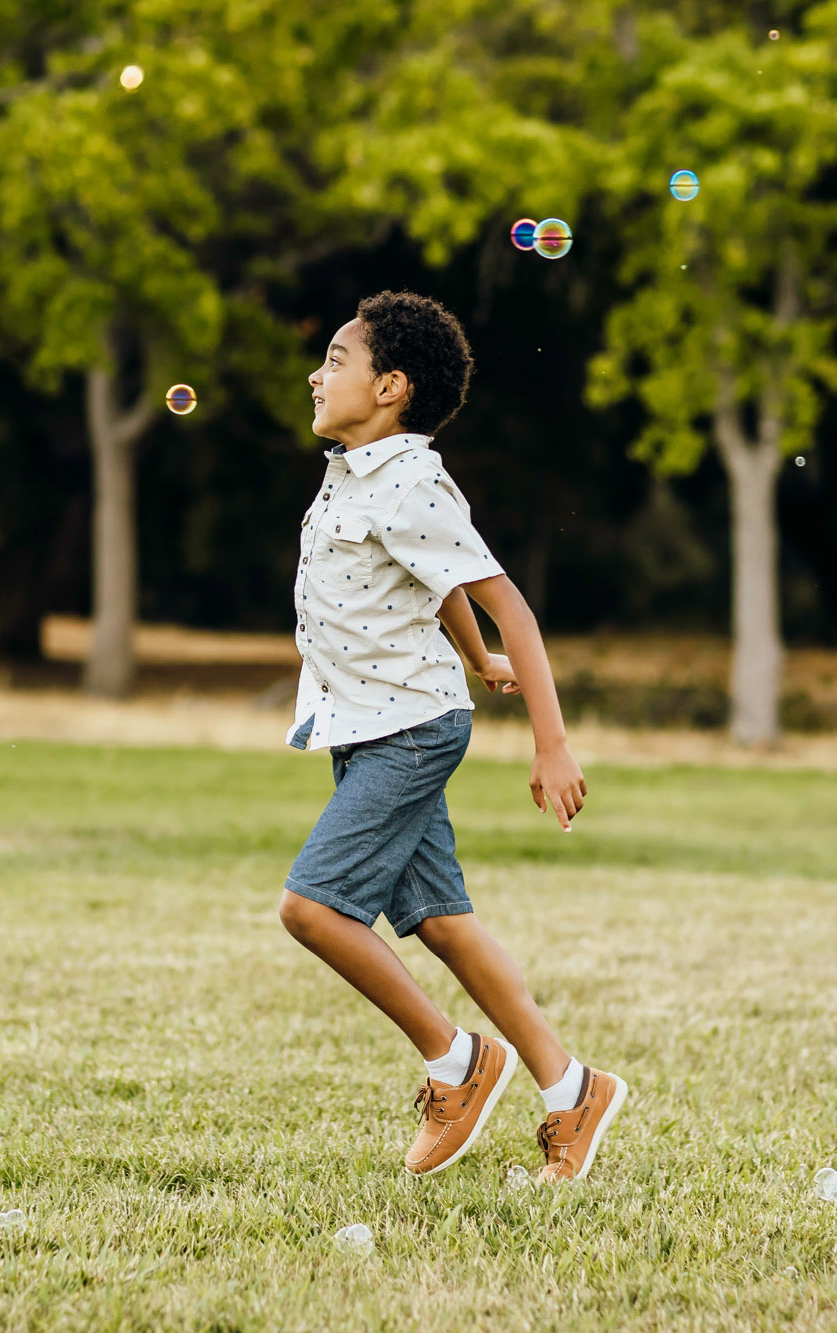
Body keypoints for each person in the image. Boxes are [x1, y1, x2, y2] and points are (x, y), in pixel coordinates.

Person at [279, 290, 630, 1181]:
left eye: (338, 359)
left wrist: (550, 744)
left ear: (391, 386)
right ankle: (571, 1087)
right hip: (371, 723)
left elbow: (508, 603)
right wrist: (474, 659)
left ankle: (455, 1060)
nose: (318, 374)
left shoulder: (409, 480)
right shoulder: (359, 471)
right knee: (441, 922)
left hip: (409, 729)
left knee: (313, 909)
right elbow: (436, 586)